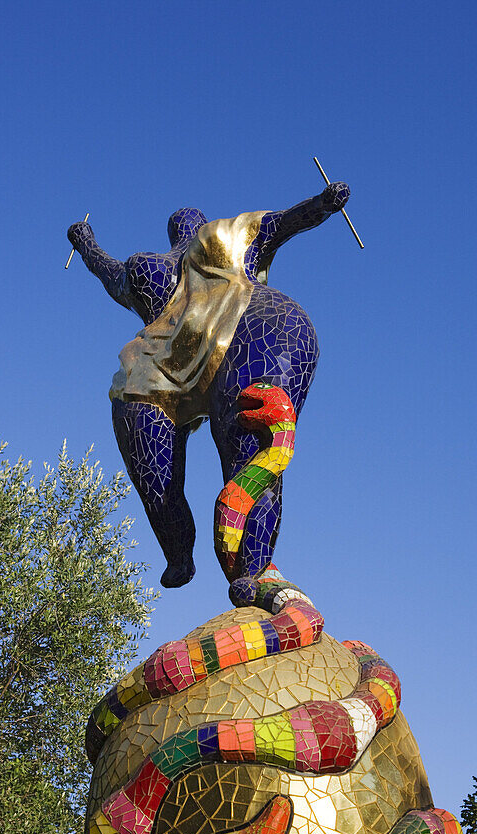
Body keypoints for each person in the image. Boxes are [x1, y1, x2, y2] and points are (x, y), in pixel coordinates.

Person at [68, 181, 350, 587]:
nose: (184, 220)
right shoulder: (154, 265)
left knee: (245, 441)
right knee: (153, 472)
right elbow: (110, 273)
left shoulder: (229, 232)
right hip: (156, 369)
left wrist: (323, 204)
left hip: (235, 323)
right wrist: (86, 245)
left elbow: (283, 223)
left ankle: (249, 565)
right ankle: (179, 554)